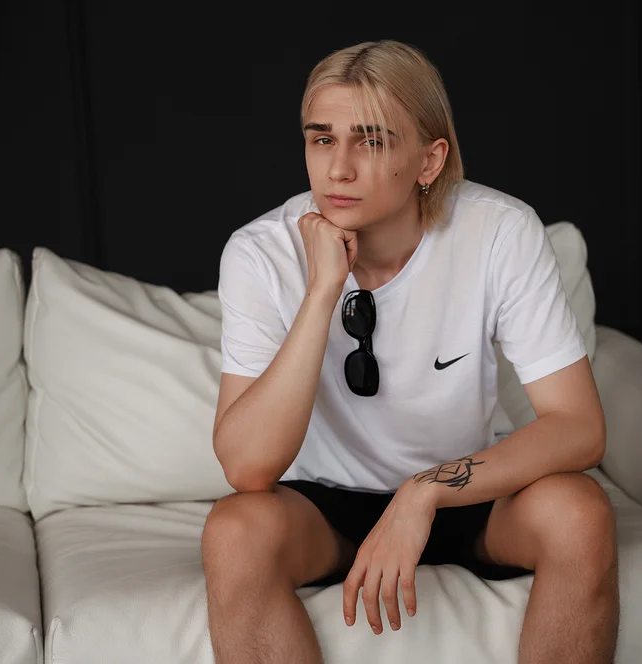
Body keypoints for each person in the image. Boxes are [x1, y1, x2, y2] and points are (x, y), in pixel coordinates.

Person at [202, 40, 618, 664]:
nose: (338, 169)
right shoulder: (260, 252)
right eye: (322, 139)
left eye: (371, 141)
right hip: (323, 506)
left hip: (465, 492)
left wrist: (423, 492)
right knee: (233, 532)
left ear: (429, 160)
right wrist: (322, 292)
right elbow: (247, 468)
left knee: (581, 512)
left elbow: (580, 427)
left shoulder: (499, 231)